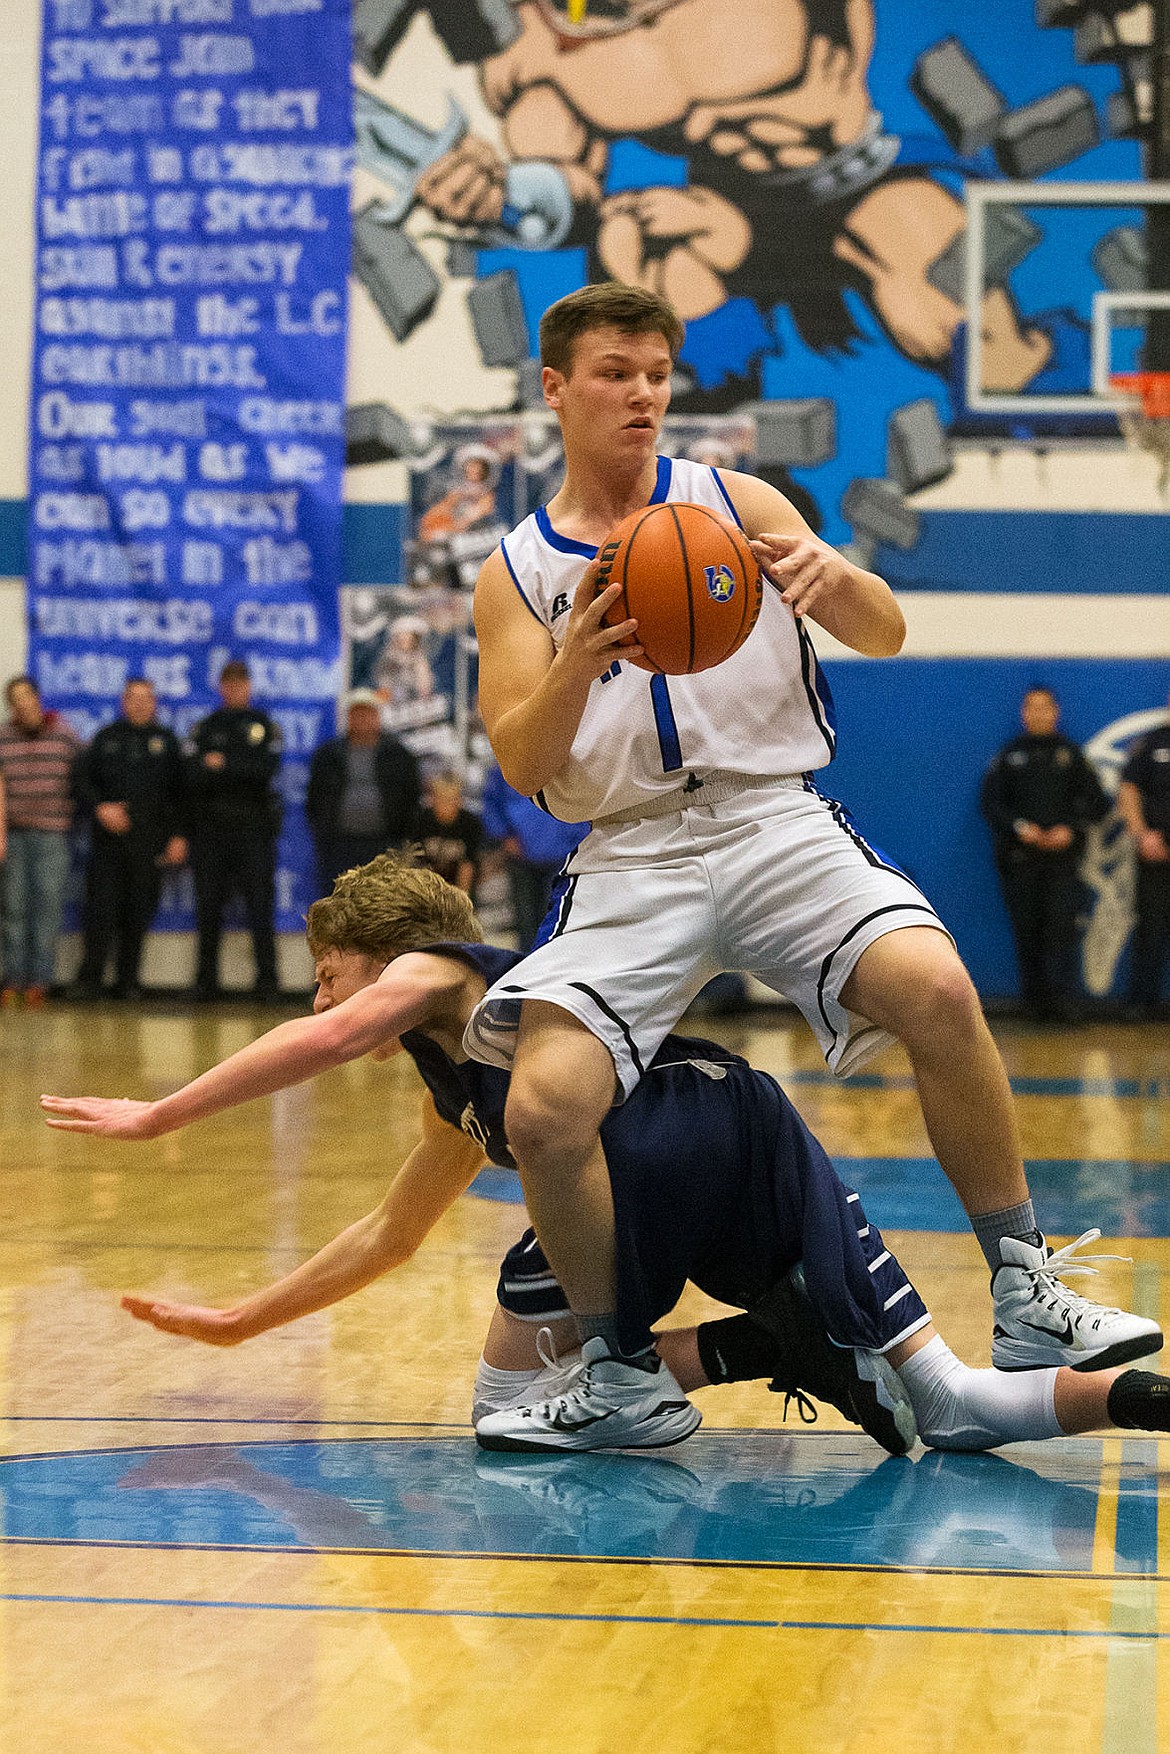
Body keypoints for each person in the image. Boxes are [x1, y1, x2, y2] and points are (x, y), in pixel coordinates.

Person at [461, 281, 1158, 1448]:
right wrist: (577, 656)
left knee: (938, 987)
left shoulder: (735, 503)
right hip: (631, 851)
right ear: (554, 388)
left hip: (774, 819)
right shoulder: (516, 569)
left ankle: (1027, 1289)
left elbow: (885, 630)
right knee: (543, 1108)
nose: (641, 393)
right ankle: (619, 1371)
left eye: (655, 373)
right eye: (615, 372)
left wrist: (841, 583)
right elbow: (525, 761)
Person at [39, 853, 1170, 1460]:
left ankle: (702, 1355)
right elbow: (386, 1235)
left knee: (504, 1401)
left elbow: (331, 1033)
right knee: (952, 1402)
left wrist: (157, 1115)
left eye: (329, 965)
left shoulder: (449, 968)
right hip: (750, 1123)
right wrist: (243, 1322)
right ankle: (1138, 1397)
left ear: (385, 953)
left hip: (659, 1141)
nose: (321, 992)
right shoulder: (467, 1082)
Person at [980, 686, 1109, 1021]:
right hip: (1021, 862)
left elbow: (1096, 802)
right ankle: (1033, 1004)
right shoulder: (1009, 756)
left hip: (1064, 863)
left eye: (1045, 707)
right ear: (1024, 713)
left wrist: (1070, 828)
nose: (1038, 713)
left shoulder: (1072, 755)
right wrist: (1021, 828)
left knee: (1062, 931)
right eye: (1031, 707)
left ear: (1056, 712)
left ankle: (1063, 1003)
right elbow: (992, 804)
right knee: (1028, 931)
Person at [71, 677, 188, 1001]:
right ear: (124, 702)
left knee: (138, 914)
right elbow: (81, 782)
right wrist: (101, 807)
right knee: (100, 913)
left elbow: (181, 794)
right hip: (108, 845)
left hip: (149, 844)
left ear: (154, 703)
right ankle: (90, 981)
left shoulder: (166, 742)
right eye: (133, 698)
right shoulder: (106, 739)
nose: (139, 703)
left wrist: (178, 835)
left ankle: (128, 982)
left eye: (146, 698)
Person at [185, 660, 282, 1000]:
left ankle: (268, 982)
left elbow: (265, 771)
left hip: (254, 832)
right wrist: (237, 768)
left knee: (260, 907)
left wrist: (223, 764)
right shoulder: (206, 727)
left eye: (241, 684)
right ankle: (205, 982)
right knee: (208, 909)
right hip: (212, 833)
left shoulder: (263, 725)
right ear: (221, 688)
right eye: (230, 685)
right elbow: (193, 774)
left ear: (249, 687)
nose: (236, 690)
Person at [0, 675, 80, 1008]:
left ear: (37, 697)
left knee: (46, 909)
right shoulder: (3, 737)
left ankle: (39, 982)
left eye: (26, 696)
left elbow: (85, 778)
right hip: (14, 834)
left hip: (52, 834)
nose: (22, 703)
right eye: (14, 699)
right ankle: (12, 980)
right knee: (13, 909)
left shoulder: (64, 734)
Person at [305, 689, 420, 898]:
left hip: (385, 844)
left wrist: (401, 837)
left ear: (377, 717)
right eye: (357, 714)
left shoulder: (399, 755)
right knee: (339, 902)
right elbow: (314, 799)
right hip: (340, 845)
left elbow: (412, 798)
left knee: (384, 903)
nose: (362, 719)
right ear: (348, 718)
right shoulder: (328, 755)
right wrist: (324, 833)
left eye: (368, 713)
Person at [480, 761, 587, 949]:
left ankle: (551, 962)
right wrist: (505, 835)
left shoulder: (571, 759)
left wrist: (576, 839)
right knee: (525, 917)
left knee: (557, 915)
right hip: (521, 853)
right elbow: (491, 801)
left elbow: (586, 803)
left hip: (561, 855)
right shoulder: (509, 760)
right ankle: (526, 964)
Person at [1117, 687, 1170, 1020]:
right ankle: (1142, 1003)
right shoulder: (1151, 744)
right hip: (1155, 852)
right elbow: (1129, 789)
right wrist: (1141, 835)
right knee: (1151, 928)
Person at [414, 769, 482, 894]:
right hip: (428, 887)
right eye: (441, 799)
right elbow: (416, 862)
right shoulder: (421, 820)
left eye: (451, 799)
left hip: (460, 888)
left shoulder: (470, 823)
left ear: (459, 800)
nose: (446, 805)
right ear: (432, 798)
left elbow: (468, 865)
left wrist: (460, 899)